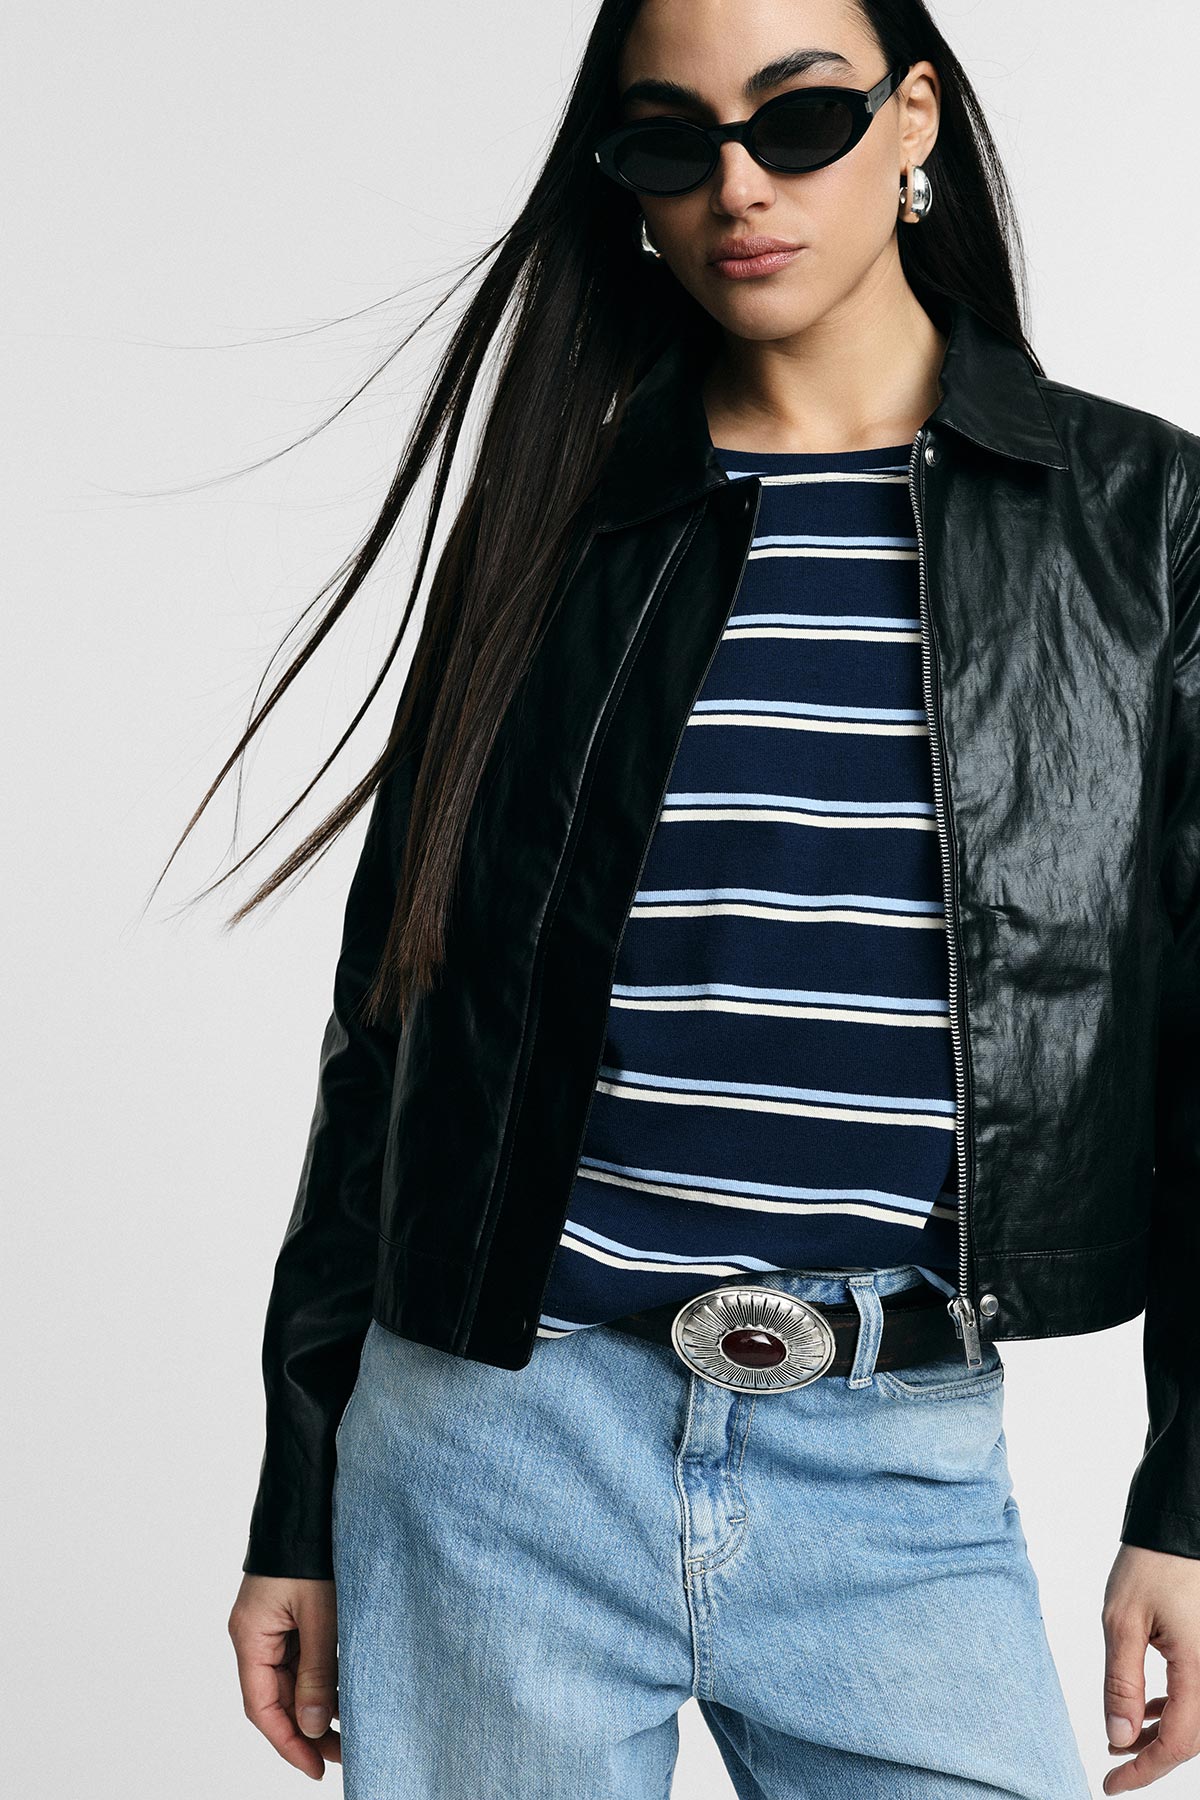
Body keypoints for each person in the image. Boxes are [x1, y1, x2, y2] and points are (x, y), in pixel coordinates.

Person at [215, 1, 1200, 1794]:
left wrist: (1193, 1502)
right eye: (672, 139)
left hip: (892, 1460)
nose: (737, 183)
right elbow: (393, 1031)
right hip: (492, 1458)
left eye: (799, 118)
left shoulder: (1137, 523)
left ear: (913, 121)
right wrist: (300, 1492)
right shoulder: (556, 519)